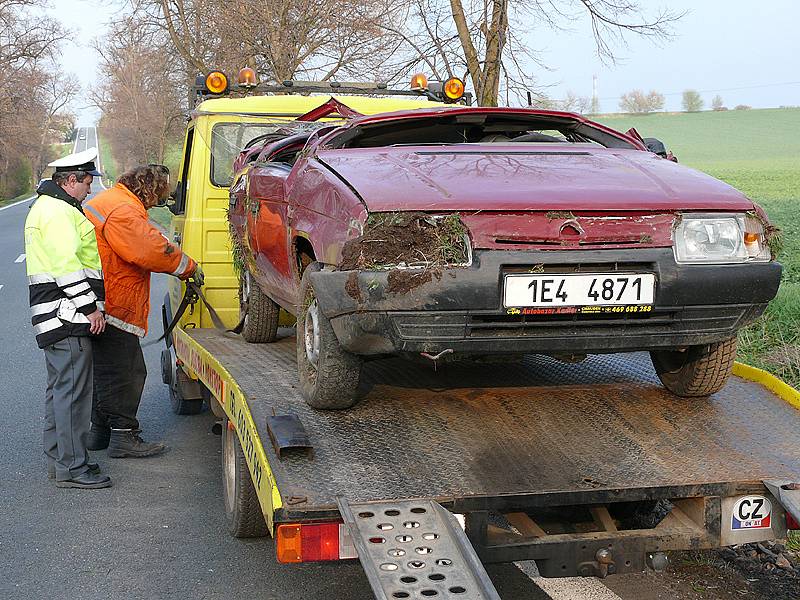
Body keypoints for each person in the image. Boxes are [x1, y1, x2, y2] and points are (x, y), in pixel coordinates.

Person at [83, 164, 201, 457]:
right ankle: (123, 437)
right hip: (114, 300)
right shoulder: (123, 210)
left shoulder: (113, 200)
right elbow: (149, 249)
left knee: (107, 371)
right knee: (129, 371)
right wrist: (187, 267)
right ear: (150, 188)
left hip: (101, 297)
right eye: (161, 193)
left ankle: (100, 432)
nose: (162, 198)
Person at [25, 148, 112, 489]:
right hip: (68, 316)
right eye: (87, 182)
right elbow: (66, 266)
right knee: (74, 396)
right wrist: (91, 308)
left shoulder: (47, 207)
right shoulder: (59, 212)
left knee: (60, 392)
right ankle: (74, 467)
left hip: (54, 316)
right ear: (71, 180)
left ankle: (59, 460)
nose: (90, 188)